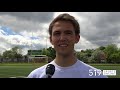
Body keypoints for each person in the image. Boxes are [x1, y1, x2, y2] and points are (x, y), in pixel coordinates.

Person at [28, 13, 107, 78]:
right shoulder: (36, 75)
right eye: (57, 33)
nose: (62, 38)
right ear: (51, 40)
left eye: (68, 33)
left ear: (77, 38)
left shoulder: (96, 75)